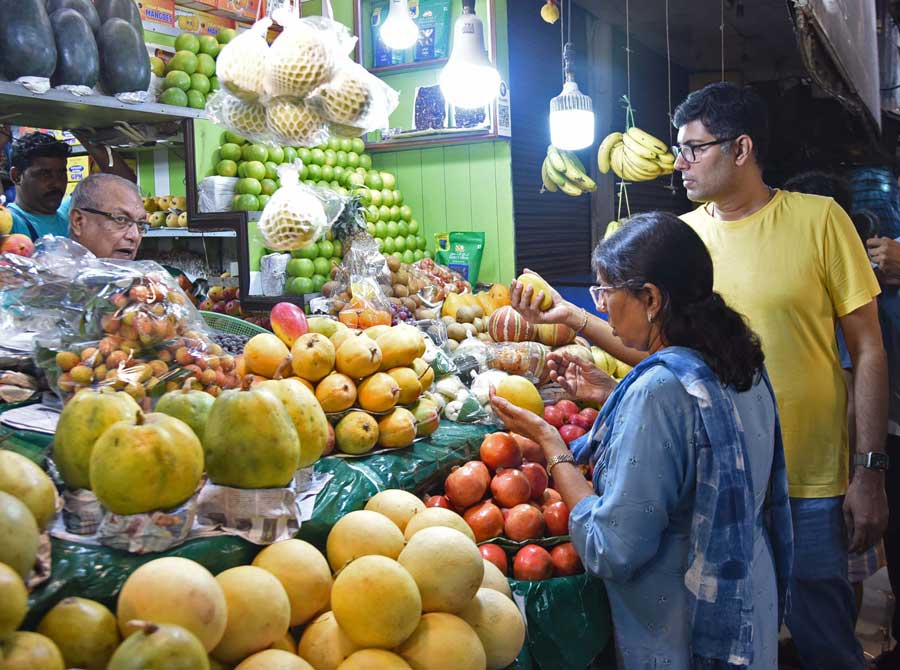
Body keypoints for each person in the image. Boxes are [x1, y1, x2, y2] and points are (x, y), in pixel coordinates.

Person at [491, 212, 792, 669]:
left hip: (679, 618)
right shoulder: (740, 360)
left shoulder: (661, 390)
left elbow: (612, 547)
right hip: (746, 592)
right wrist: (614, 395)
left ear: (650, 297)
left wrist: (552, 445)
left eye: (604, 292)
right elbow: (705, 435)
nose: (601, 306)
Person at [673, 82, 888, 669]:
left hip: (811, 481)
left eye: (695, 148)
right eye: (678, 147)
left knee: (826, 641)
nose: (679, 162)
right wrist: (576, 324)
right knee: (733, 642)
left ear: (741, 149)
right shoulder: (684, 239)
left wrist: (869, 471)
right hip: (720, 480)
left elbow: (867, 350)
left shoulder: (820, 220)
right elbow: (664, 352)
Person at [1, 128, 137, 241]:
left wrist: (84, 135)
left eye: (61, 173)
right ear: (16, 176)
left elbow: (125, 185)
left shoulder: (72, 214)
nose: (56, 183)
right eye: (45, 174)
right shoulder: (10, 223)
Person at [68, 174, 147, 260]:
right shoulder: (56, 271)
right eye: (121, 219)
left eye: (140, 224)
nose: (134, 236)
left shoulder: (139, 273)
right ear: (78, 222)